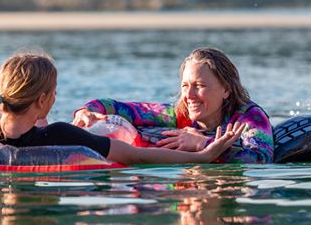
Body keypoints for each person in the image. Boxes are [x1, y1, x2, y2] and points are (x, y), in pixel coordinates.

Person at [0, 52, 246, 170]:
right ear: (42, 101)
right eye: (54, 92)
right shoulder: (60, 136)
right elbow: (136, 156)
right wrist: (204, 156)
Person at [72, 47, 274, 164]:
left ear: (226, 89)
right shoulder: (179, 114)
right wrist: (87, 111)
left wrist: (201, 144)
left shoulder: (248, 117)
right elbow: (117, 107)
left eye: (200, 86)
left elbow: (260, 160)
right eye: (185, 86)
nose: (189, 95)